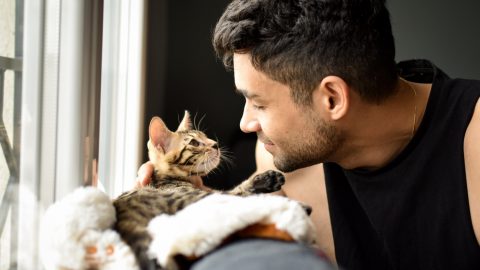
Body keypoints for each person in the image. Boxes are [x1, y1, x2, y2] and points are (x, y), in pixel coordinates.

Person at [137, 0, 480, 269]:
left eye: (258, 103)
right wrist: (192, 204)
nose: (246, 123)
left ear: (331, 98)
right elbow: (248, 237)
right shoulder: (282, 161)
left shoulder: (473, 140)